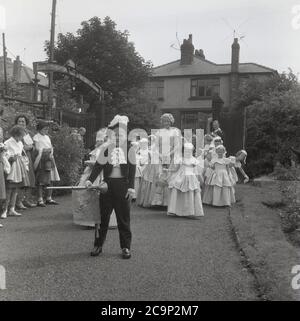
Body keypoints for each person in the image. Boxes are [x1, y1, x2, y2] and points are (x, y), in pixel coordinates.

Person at [85, 115, 136, 259]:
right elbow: (98, 166)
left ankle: (126, 247)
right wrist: (90, 180)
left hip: (123, 188)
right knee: (103, 219)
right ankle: (98, 245)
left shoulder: (130, 150)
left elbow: (132, 170)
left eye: (121, 135)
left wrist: (131, 187)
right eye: (115, 135)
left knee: (123, 219)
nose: (118, 138)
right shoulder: (106, 150)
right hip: (106, 187)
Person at [72, 128, 117, 229]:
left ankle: (105, 220)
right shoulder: (99, 150)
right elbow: (97, 164)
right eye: (99, 140)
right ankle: (92, 220)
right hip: (96, 176)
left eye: (103, 139)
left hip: (105, 176)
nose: (100, 141)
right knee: (93, 198)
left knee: (106, 199)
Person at [167, 143, 204, 218]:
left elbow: (196, 171)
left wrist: (199, 180)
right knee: (178, 191)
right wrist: (168, 170)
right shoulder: (180, 159)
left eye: (189, 151)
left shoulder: (194, 160)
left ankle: (190, 211)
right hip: (180, 176)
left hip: (191, 177)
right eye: (186, 151)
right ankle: (176, 210)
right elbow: (176, 169)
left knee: (190, 193)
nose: (187, 152)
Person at [151, 113, 181, 206]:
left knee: (169, 176)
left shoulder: (175, 131)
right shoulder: (158, 132)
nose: (166, 123)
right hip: (160, 156)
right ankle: (157, 200)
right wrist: (160, 155)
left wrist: (169, 154)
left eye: (167, 121)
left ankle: (168, 202)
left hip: (171, 156)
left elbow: (177, 145)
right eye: (164, 121)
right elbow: (155, 146)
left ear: (171, 121)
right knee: (159, 175)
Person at [1, 125, 30, 218]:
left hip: (19, 166)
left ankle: (12, 209)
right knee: (9, 188)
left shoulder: (20, 143)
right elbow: (4, 155)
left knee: (16, 188)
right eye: (21, 135)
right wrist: (11, 158)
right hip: (11, 167)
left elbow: (21, 154)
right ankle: (4, 209)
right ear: (17, 134)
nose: (22, 137)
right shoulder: (8, 143)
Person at [33, 121, 60, 207]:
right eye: (44, 129)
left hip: (49, 158)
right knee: (41, 180)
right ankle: (40, 199)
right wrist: (45, 151)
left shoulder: (47, 137)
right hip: (42, 159)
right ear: (40, 129)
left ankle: (49, 198)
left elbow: (51, 146)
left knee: (50, 178)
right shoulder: (36, 137)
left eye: (47, 129)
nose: (46, 130)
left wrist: (51, 151)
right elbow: (37, 148)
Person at [15, 115, 37, 209]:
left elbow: (31, 145)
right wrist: (25, 147)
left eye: (23, 121)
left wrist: (30, 147)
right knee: (21, 179)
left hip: (27, 158)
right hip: (19, 157)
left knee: (29, 178)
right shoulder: (15, 132)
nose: (21, 123)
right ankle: (18, 201)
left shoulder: (27, 133)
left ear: (26, 123)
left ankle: (26, 200)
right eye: (19, 121)